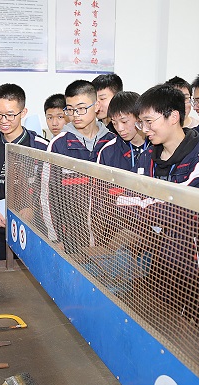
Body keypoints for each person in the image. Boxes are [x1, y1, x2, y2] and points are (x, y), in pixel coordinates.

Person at [41, 80, 116, 255]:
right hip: (71, 240)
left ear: (96, 106)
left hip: (108, 241)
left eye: (81, 108)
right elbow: (47, 196)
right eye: (70, 109)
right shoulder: (59, 145)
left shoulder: (112, 142)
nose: (75, 115)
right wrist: (55, 238)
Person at [0, 83, 49, 261]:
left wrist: (33, 209)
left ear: (23, 112)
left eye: (10, 115)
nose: (3, 120)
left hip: (34, 229)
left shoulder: (41, 148)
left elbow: (50, 192)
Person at [136, 84, 199, 189]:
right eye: (141, 123)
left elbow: (182, 197)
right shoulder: (146, 156)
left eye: (149, 121)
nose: (144, 129)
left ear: (174, 117)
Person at [97, 91, 149, 172]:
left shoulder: (157, 146)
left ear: (139, 118)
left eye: (124, 121)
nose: (120, 128)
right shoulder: (107, 152)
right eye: (114, 123)